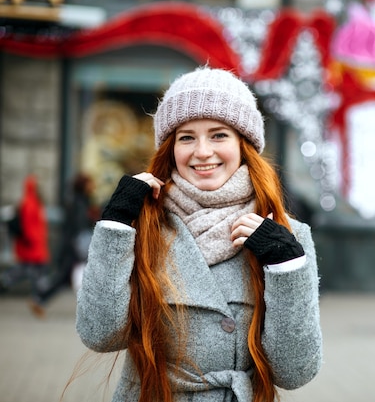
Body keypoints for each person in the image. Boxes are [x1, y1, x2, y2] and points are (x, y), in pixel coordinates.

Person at [75, 66, 323, 402]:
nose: (202, 151)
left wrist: (285, 268)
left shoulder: (287, 237)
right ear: (170, 148)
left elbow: (294, 373)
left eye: (219, 135)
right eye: (187, 137)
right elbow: (99, 335)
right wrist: (116, 225)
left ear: (244, 144)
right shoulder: (144, 224)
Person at [36, 173, 97, 309]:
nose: (93, 186)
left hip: (72, 244)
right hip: (74, 245)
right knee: (64, 276)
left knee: (64, 277)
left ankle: (41, 297)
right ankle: (40, 295)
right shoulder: (79, 202)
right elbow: (79, 226)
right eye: (90, 183)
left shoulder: (79, 201)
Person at [0, 175, 50, 318]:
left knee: (31, 271)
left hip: (35, 244)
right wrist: (32, 239)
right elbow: (28, 225)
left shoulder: (32, 201)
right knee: (33, 272)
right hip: (33, 244)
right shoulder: (30, 203)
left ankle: (37, 299)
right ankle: (37, 299)